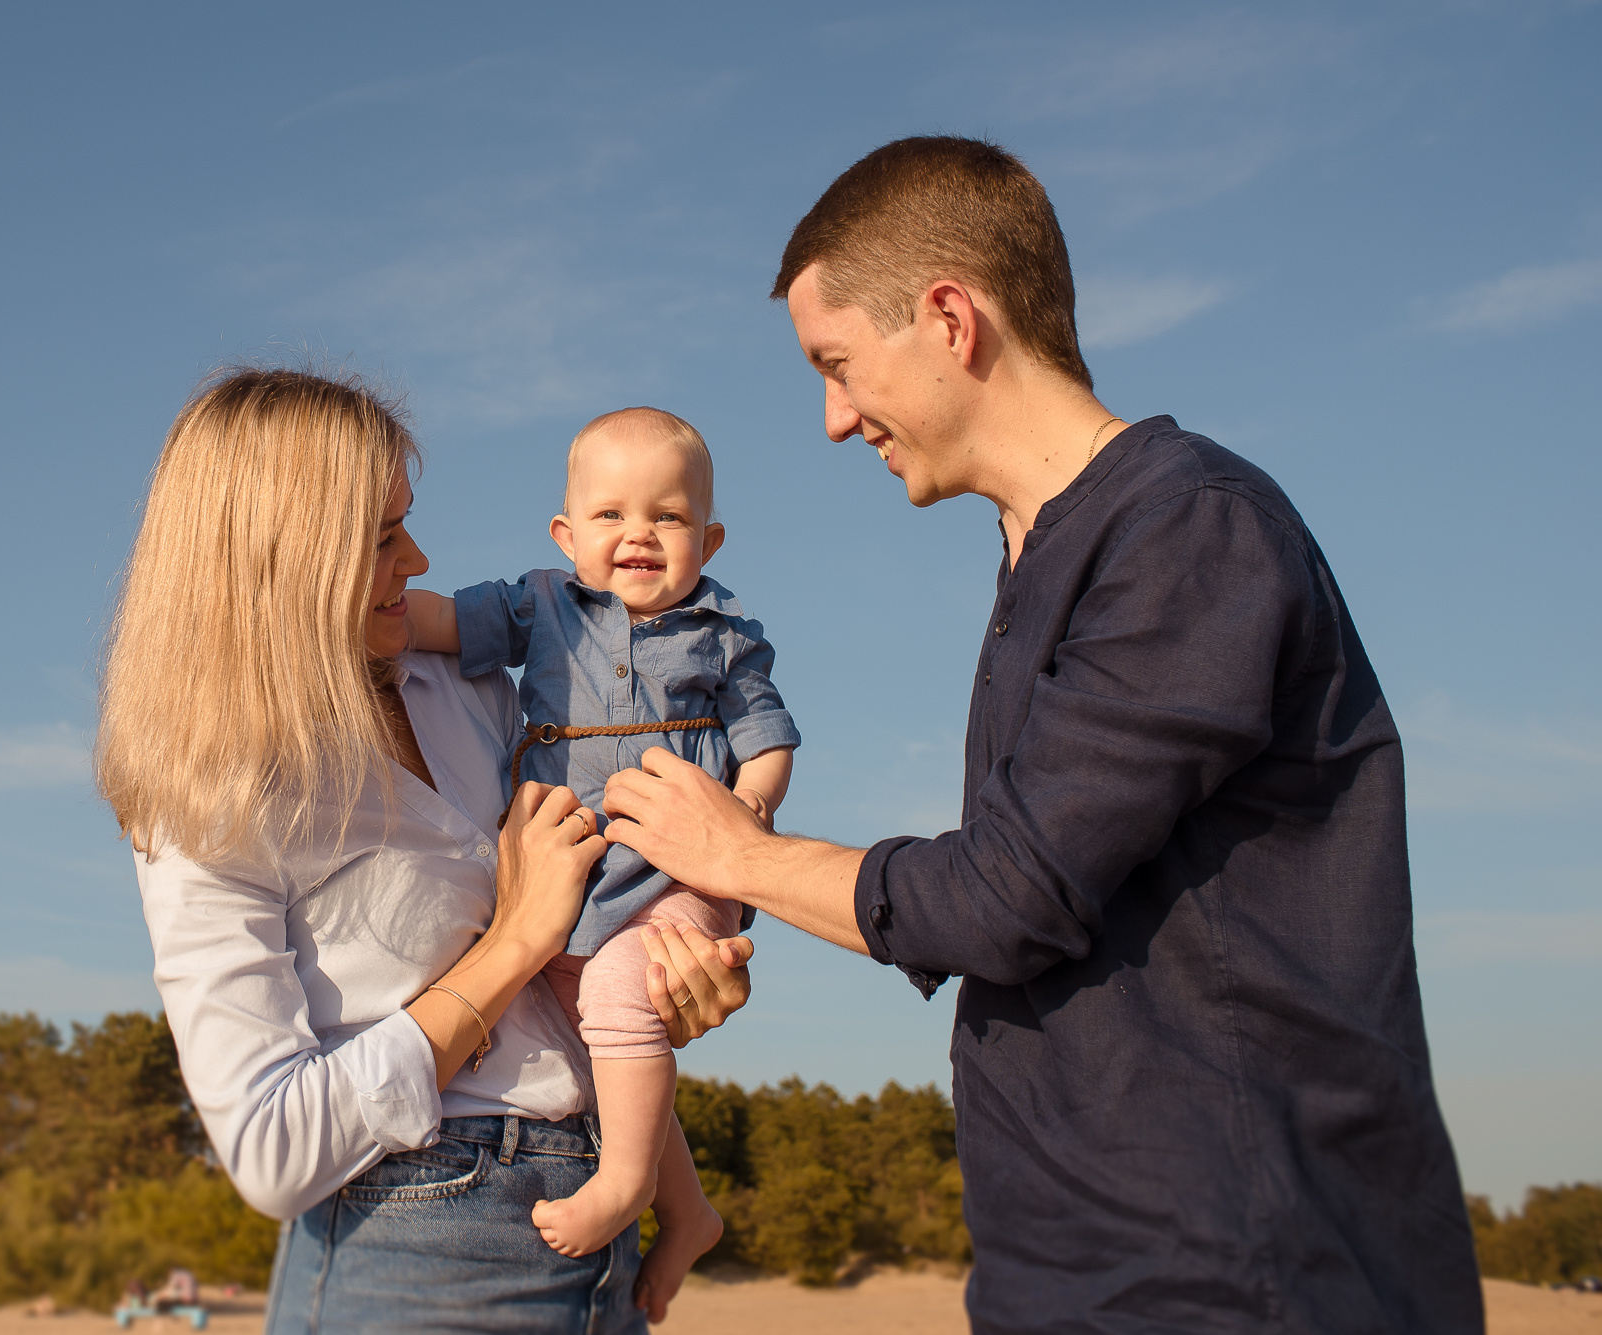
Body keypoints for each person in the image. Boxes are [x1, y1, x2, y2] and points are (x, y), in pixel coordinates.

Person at [598, 137, 1484, 1333]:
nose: (830, 418)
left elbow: (1007, 896)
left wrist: (737, 856)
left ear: (949, 318)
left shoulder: (1185, 531)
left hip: (1237, 1273)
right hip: (1071, 1271)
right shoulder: (1042, 554)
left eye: (838, 365)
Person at [94, 368, 754, 1332]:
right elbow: (274, 1152)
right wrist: (513, 944)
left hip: (600, 1218)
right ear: (280, 557)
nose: (419, 557)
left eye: (407, 522)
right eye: (380, 537)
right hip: (409, 1242)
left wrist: (676, 971)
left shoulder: (472, 686)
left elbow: (602, 904)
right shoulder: (209, 797)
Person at [407, 406, 797, 1265]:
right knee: (601, 1032)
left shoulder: (725, 635)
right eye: (612, 515)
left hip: (677, 876)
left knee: (622, 993)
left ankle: (624, 1185)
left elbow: (767, 742)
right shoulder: (541, 604)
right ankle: (688, 1210)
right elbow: (440, 623)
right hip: (571, 874)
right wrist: (369, 618)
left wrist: (751, 816)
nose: (640, 534)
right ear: (566, 532)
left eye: (669, 515)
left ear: (710, 537)